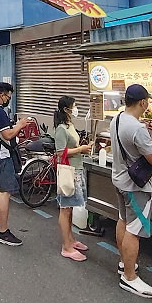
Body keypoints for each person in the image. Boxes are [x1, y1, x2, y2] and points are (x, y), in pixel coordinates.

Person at [110, 84, 152, 298]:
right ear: (142, 102)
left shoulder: (118, 119)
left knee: (123, 220)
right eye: (148, 100)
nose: (149, 103)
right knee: (134, 230)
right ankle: (130, 278)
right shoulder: (137, 128)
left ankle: (125, 264)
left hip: (119, 181)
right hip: (135, 187)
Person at [0, 82, 33, 247]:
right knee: (5, 193)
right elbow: (7, 134)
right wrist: (20, 125)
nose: (8, 100)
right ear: (2, 95)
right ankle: (3, 232)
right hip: (3, 157)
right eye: (8, 97)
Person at [53, 95, 93, 262]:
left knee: (70, 208)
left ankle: (71, 239)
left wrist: (82, 147)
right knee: (65, 208)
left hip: (76, 169)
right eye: (74, 106)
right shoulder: (61, 128)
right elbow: (60, 151)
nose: (76, 109)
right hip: (68, 171)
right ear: (66, 109)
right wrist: (81, 149)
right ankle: (66, 246)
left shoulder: (70, 125)